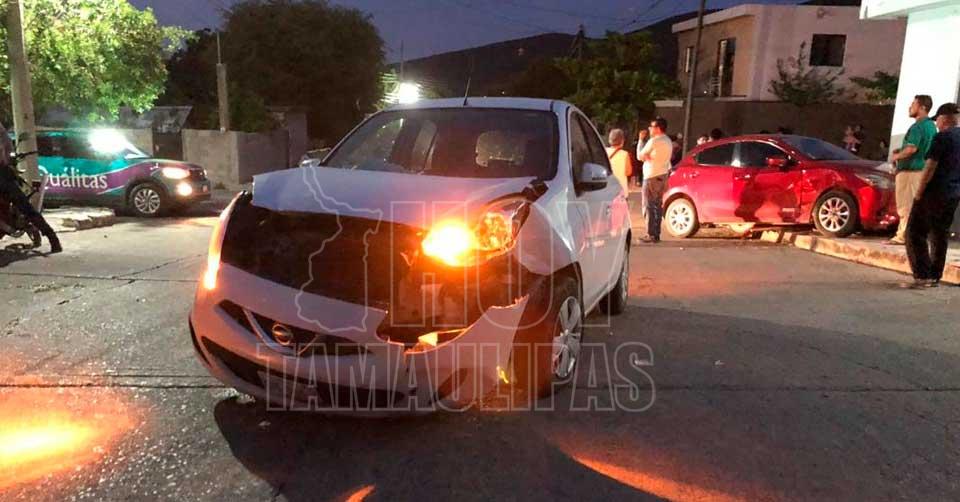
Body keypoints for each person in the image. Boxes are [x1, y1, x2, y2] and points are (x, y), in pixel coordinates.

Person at [904, 102, 960, 288]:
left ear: (944, 119)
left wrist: (919, 192)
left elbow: (930, 166)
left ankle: (922, 275)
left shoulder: (942, 138)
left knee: (914, 232)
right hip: (953, 193)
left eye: (938, 121)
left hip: (934, 192)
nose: (937, 124)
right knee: (940, 233)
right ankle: (935, 275)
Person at [0, 123, 61, 253]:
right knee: (25, 205)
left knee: (25, 206)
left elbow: (6, 147)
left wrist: (8, 160)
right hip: (4, 171)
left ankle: (52, 237)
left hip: (2, 174)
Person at [888, 95, 938, 245]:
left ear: (922, 108)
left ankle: (903, 235)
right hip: (923, 170)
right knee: (917, 204)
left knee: (905, 205)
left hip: (910, 171)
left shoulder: (918, 127)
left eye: (913, 104)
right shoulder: (931, 127)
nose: (910, 107)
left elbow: (911, 149)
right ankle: (913, 234)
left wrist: (896, 156)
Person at [637, 117, 673, 243]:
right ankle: (656, 233)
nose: (649, 129)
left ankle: (650, 233)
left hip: (651, 175)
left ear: (657, 128)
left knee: (648, 205)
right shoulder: (667, 140)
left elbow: (640, 155)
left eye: (651, 127)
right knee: (657, 205)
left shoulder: (654, 141)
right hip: (662, 174)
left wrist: (641, 140)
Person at [606, 128, 633, 193]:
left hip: (607, 188)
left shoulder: (604, 151)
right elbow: (628, 172)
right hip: (620, 189)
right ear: (622, 141)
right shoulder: (625, 154)